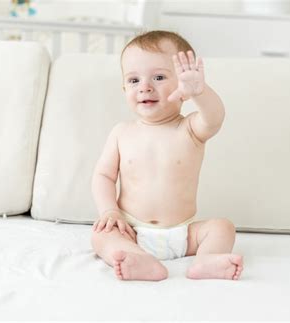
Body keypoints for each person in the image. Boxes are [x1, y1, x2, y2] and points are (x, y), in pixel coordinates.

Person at [91, 30, 243, 281]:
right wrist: (109, 211)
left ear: (183, 89)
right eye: (133, 80)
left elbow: (215, 117)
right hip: (132, 230)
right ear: (124, 88)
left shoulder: (190, 129)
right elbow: (103, 175)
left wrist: (200, 91)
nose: (145, 87)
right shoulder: (121, 133)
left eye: (159, 77)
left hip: (184, 234)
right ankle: (137, 260)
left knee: (222, 227)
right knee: (101, 236)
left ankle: (206, 261)